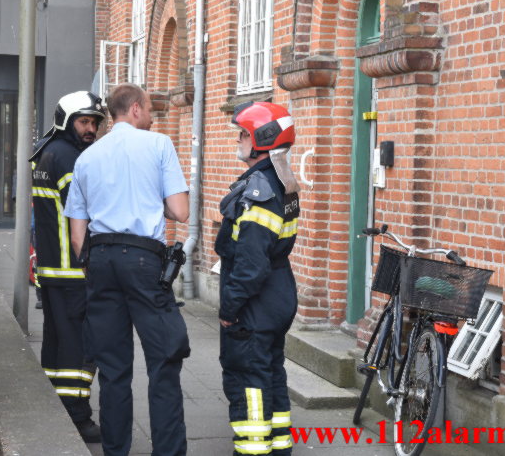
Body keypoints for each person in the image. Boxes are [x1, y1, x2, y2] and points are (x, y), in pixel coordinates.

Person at [64, 83, 190, 456]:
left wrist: (95, 267)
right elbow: (180, 210)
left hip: (100, 260)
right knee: (164, 360)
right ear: (135, 108)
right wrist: (154, 200)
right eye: (149, 108)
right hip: (143, 260)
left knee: (113, 366)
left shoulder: (86, 157)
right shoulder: (158, 145)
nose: (151, 116)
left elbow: (76, 235)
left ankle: (116, 450)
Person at [215, 101, 301, 455]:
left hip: (256, 301)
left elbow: (251, 266)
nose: (239, 139)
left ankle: (252, 449)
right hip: (278, 294)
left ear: (261, 139)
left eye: (243, 134)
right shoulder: (279, 179)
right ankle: (279, 444)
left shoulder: (260, 191)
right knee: (269, 371)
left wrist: (229, 307)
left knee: (248, 376)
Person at [29, 90, 105, 443]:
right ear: (65, 121)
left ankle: (55, 403)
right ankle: (78, 416)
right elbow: (83, 215)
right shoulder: (71, 158)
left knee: (57, 341)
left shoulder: (47, 152)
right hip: (74, 270)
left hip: (51, 268)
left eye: (94, 123)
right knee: (80, 345)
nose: (90, 129)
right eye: (84, 122)